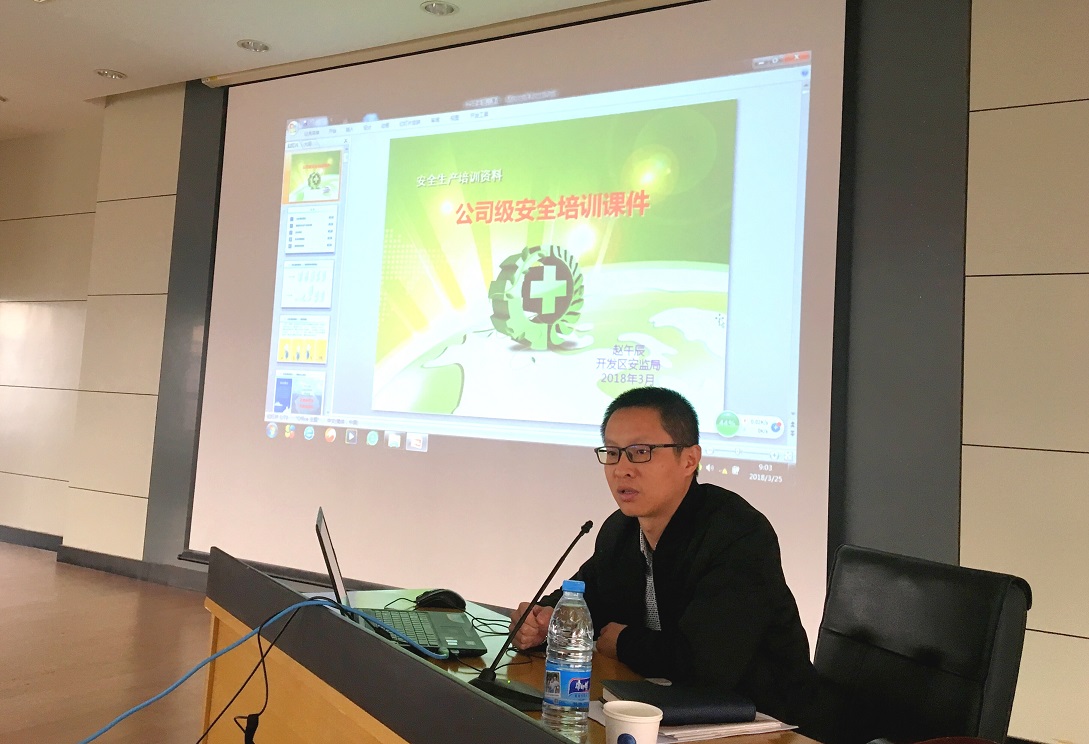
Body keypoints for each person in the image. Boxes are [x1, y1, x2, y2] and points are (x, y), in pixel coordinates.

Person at [509, 387, 820, 728]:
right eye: (612, 453)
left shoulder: (738, 534)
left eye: (640, 452)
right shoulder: (620, 530)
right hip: (662, 712)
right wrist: (543, 620)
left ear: (689, 460)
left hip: (763, 722)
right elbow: (586, 598)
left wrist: (623, 642)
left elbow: (706, 665)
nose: (621, 469)